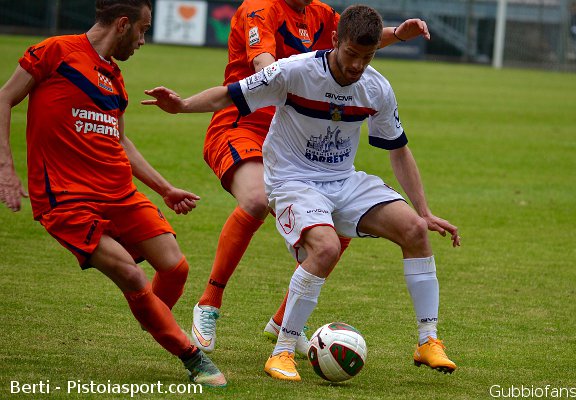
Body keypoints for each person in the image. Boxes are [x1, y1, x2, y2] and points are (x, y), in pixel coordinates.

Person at [143, 4, 460, 382]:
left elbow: (398, 149)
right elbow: (230, 95)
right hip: (293, 180)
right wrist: (181, 106)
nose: (357, 65)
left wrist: (423, 210)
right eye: (351, 55)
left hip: (342, 180)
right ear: (335, 42)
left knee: (415, 230)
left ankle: (428, 341)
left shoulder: (376, 86)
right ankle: (281, 351)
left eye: (367, 56)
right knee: (324, 246)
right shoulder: (295, 68)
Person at [0, 0, 225, 388]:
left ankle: (153, 316)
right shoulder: (54, 52)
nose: (143, 40)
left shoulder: (114, 77)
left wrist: (165, 188)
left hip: (119, 193)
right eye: (142, 29)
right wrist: (6, 168)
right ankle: (191, 356)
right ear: (123, 24)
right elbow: (3, 98)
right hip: (66, 199)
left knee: (176, 267)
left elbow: (121, 141)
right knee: (131, 274)